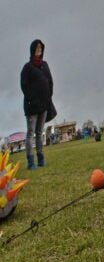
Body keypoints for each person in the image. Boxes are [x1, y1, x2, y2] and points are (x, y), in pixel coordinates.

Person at [20, 39, 55, 169]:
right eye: (37, 48)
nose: (39, 50)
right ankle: (31, 162)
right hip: (32, 106)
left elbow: (50, 81)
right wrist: (31, 99)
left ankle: (41, 159)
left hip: (44, 105)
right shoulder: (27, 67)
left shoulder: (45, 65)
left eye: (41, 48)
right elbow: (24, 85)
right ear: (33, 50)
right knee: (31, 133)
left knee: (40, 132)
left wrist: (49, 95)